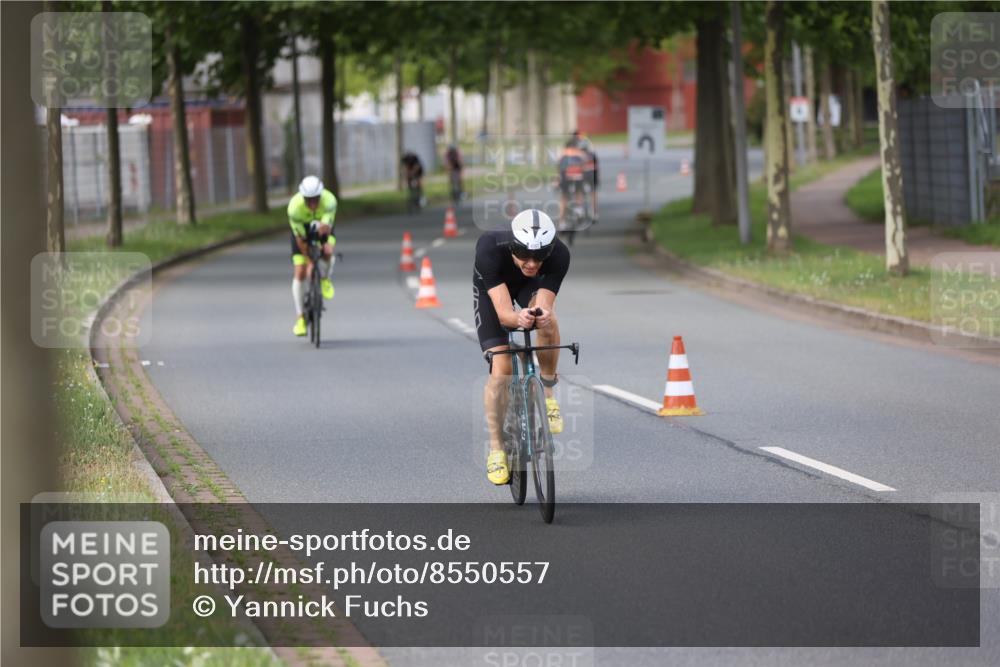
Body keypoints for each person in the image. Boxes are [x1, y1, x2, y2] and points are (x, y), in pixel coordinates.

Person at [474, 209, 570, 485]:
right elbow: (505, 314)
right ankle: (496, 449)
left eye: (539, 257)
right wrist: (517, 318)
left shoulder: (559, 255)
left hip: (531, 288)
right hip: (493, 287)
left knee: (548, 323)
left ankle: (548, 395)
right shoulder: (490, 248)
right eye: (524, 255)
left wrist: (537, 315)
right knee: (501, 364)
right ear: (513, 246)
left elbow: (545, 305)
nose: (531, 263)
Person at [287, 175, 337, 337]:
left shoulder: (329, 201)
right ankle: (300, 318)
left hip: (323, 227)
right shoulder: (294, 209)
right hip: (302, 231)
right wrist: (309, 259)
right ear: (303, 198)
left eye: (316, 199)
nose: (313, 203)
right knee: (301, 270)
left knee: (328, 251)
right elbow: (300, 240)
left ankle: (325, 279)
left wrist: (323, 246)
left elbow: (326, 229)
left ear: (321, 195)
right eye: (309, 200)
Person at [557, 139, 586, 227]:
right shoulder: (580, 153)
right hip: (577, 175)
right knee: (579, 191)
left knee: (564, 197)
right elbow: (584, 166)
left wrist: (557, 180)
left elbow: (559, 167)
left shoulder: (562, 153)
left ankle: (562, 222)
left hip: (565, 175)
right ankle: (579, 208)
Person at [579, 136, 599, 222]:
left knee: (579, 191)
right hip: (592, 174)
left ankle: (580, 211)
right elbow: (597, 167)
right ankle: (594, 213)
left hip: (583, 175)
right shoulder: (592, 154)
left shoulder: (579, 155)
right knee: (593, 192)